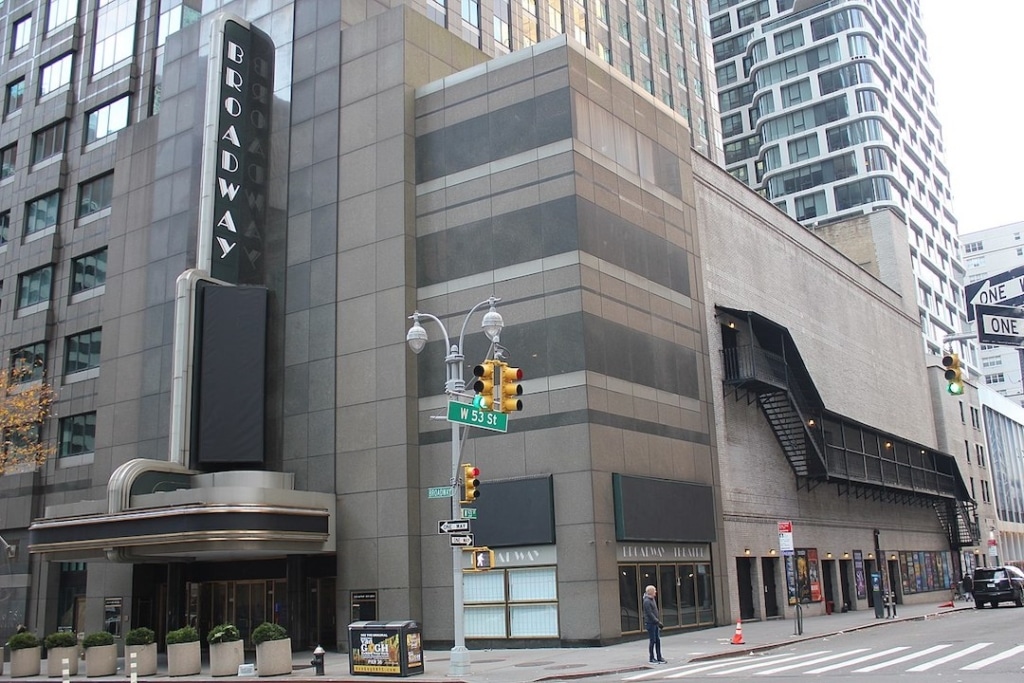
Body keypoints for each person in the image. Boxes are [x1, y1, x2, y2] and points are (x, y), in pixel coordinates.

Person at [642, 585, 666, 664]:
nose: (655, 592)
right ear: (651, 592)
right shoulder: (647, 601)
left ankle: (659, 657)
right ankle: (651, 658)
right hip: (650, 623)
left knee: (657, 640)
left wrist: (657, 622)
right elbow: (650, 614)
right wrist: (657, 622)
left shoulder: (652, 599)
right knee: (653, 641)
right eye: (654, 590)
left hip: (654, 623)